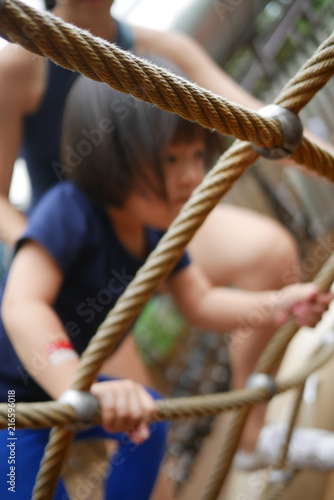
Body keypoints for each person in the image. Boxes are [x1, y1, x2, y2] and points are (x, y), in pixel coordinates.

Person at [0, 0, 332, 459]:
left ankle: (251, 434)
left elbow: (263, 120)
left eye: (196, 157)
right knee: (106, 422)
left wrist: (278, 305)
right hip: (62, 269)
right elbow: (21, 300)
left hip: (140, 220)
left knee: (146, 426)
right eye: (177, 158)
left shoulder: (156, 50)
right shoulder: (19, 65)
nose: (194, 172)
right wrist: (43, 250)